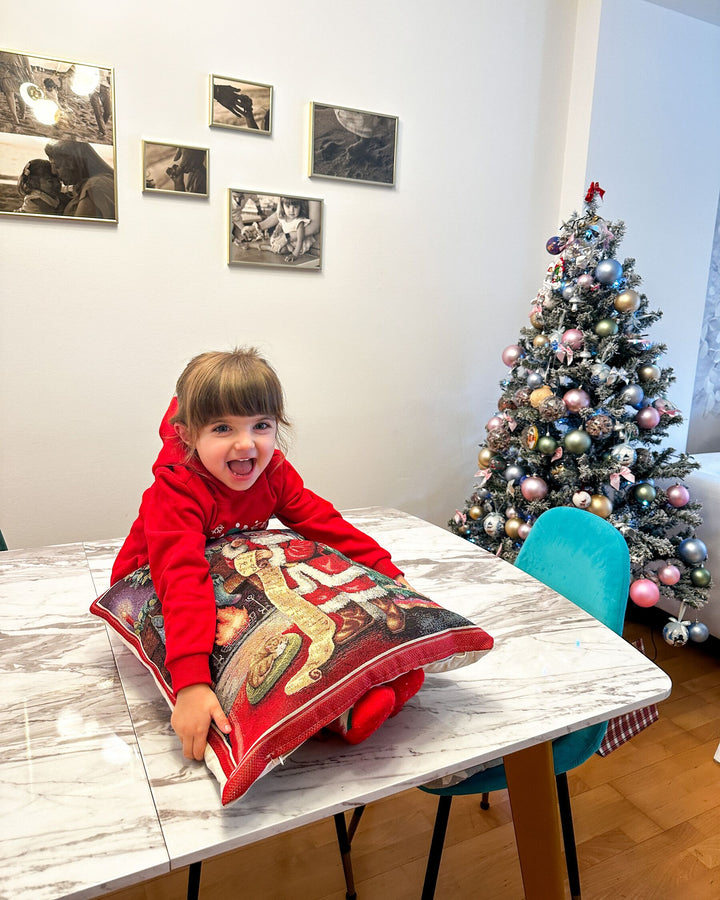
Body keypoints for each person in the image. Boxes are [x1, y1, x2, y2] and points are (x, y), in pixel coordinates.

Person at [111, 348, 421, 760]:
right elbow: (183, 579)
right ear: (187, 435)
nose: (246, 444)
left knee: (294, 590)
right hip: (149, 587)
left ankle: (355, 690)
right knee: (239, 637)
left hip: (224, 572)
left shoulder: (272, 471)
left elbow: (321, 521)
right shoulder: (176, 491)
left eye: (260, 425)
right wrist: (189, 683)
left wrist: (382, 568)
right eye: (222, 428)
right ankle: (331, 714)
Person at [44, 140, 115, 219]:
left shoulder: (94, 185)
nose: (53, 172)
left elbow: (79, 228)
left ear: (71, 162)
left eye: (57, 166)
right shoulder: (93, 184)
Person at [247, 197, 321, 261]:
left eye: (295, 207)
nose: (291, 210)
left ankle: (259, 246)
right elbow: (280, 221)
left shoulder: (299, 222)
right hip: (289, 242)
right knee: (274, 241)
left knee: (280, 249)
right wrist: (277, 230)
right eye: (288, 206)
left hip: (297, 245)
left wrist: (295, 254)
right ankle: (252, 245)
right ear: (282, 206)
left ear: (300, 207)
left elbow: (300, 240)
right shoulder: (284, 217)